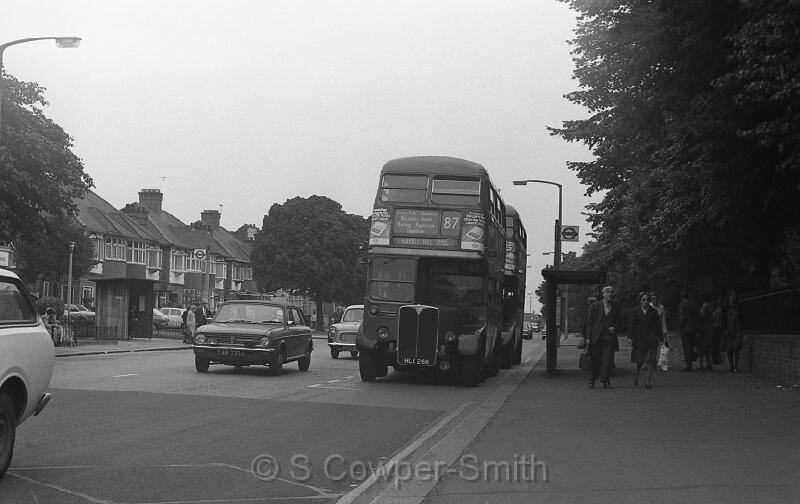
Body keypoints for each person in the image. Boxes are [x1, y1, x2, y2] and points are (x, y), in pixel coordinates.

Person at [584, 285, 622, 389]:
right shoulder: (595, 306)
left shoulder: (615, 307)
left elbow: (618, 321)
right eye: (607, 292)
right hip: (596, 337)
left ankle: (605, 380)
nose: (610, 294)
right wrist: (588, 338)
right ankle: (592, 379)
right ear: (603, 294)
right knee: (595, 360)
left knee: (606, 360)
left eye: (611, 292)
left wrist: (614, 327)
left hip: (608, 338)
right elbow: (589, 323)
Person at [628, 292, 663, 388]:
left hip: (651, 338)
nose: (645, 301)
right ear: (640, 301)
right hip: (639, 338)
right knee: (640, 360)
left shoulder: (654, 311)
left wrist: (660, 338)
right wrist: (630, 337)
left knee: (650, 359)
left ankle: (648, 381)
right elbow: (631, 325)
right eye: (643, 299)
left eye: (647, 299)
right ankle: (637, 372)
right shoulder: (635, 311)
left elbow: (657, 325)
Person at [720, 289, 744, 373]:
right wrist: (724, 329)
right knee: (729, 347)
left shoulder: (738, 306)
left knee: (736, 347)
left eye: (734, 295)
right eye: (731, 295)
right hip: (728, 328)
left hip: (737, 328)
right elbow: (723, 319)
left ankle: (736, 366)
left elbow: (741, 317)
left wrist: (742, 329)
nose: (733, 297)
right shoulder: (725, 307)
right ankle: (731, 366)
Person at [678, 289, 701, 372]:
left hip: (685, 329)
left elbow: (682, 317)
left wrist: (680, 327)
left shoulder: (682, 305)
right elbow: (697, 316)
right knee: (691, 346)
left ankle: (689, 365)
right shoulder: (694, 304)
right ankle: (692, 361)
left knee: (686, 347)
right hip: (693, 328)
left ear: (681, 297)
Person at [698, 295, 715, 371]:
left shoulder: (705, 307)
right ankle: (709, 364)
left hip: (704, 330)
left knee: (701, 348)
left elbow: (701, 316)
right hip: (709, 329)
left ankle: (701, 365)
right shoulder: (710, 307)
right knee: (707, 348)